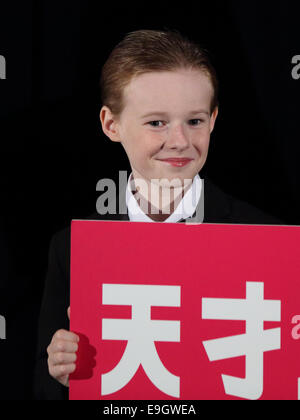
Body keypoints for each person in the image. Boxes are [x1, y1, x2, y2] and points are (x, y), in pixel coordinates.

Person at [34, 29, 281, 400]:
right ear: (110, 124)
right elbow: (42, 387)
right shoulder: (70, 249)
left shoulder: (268, 240)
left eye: (195, 121)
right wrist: (59, 374)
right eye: (156, 123)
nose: (180, 141)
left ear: (213, 119)